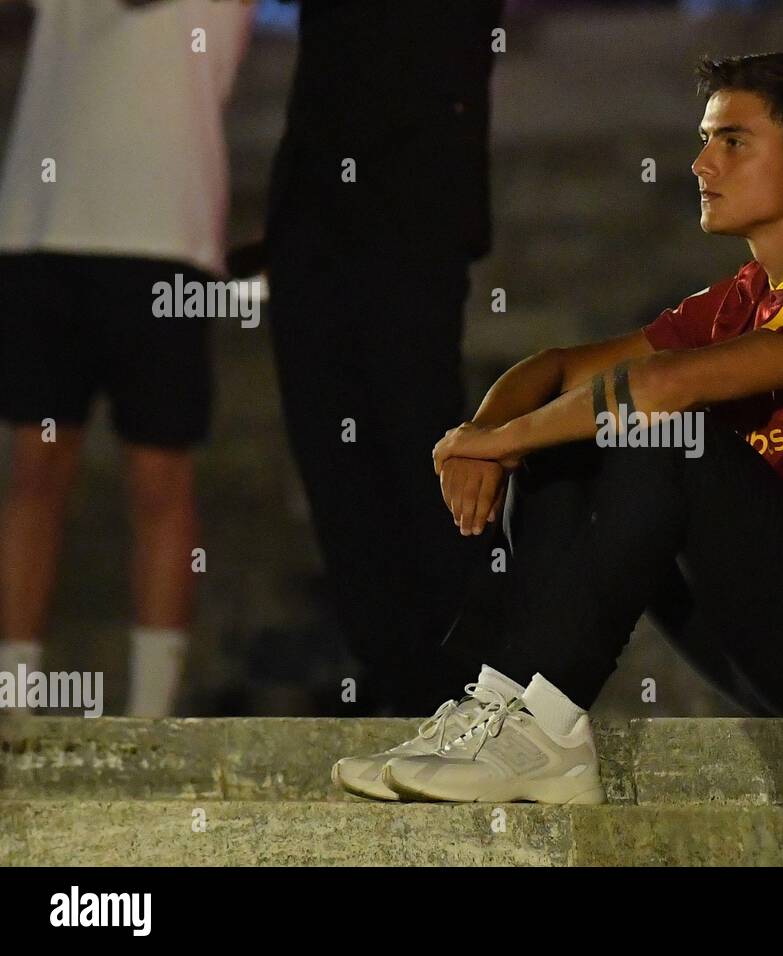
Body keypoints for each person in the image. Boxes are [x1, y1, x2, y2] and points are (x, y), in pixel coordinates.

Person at [332, 52, 783, 805]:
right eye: (705, 139)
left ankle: (543, 728)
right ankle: (504, 704)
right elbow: (555, 366)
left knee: (667, 435)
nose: (702, 162)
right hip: (762, 642)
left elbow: (662, 388)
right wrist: (485, 427)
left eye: (732, 141)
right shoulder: (737, 299)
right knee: (579, 433)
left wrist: (501, 444)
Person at [0, 0, 254, 716]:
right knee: (34, 470)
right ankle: (13, 706)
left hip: (162, 230)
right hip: (40, 224)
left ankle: (152, 717)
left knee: (158, 475)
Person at [264, 0, 504, 715]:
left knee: (415, 436)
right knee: (329, 449)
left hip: (412, 204)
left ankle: (461, 684)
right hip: (312, 217)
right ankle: (393, 674)